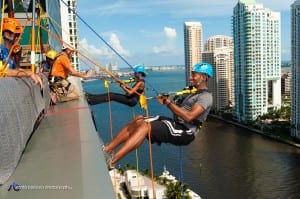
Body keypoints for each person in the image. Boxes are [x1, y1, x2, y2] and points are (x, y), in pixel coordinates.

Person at [102, 62, 214, 169]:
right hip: (178, 124)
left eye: (194, 75)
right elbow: (180, 110)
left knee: (145, 126)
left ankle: (111, 161)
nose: (190, 77)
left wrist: (167, 103)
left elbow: (189, 117)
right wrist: (169, 101)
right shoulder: (192, 92)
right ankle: (107, 149)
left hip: (186, 131)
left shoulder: (205, 97)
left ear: (203, 77)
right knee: (139, 119)